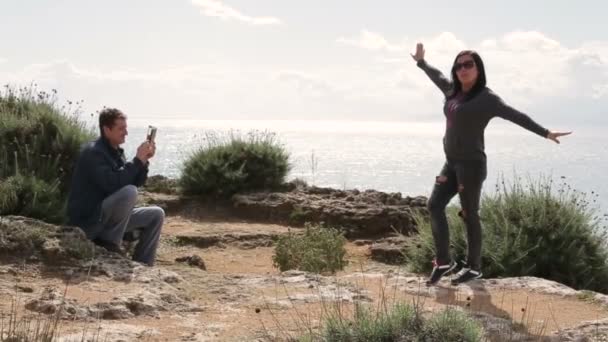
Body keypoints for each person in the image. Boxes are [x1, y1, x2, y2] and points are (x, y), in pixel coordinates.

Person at [411, 43, 572, 285]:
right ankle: (444, 261)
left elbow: (516, 116)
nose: (462, 68)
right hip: (451, 163)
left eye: (468, 64)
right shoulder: (452, 91)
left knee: (469, 214)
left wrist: (546, 132)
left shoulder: (487, 98)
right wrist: (422, 63)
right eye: (458, 65)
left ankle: (473, 267)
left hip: (471, 166)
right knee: (434, 205)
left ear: (478, 69)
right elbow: (438, 77)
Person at [67, 108, 164, 266]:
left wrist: (144, 161)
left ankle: (144, 265)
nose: (126, 133)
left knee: (156, 214)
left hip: (108, 218)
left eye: (126, 128)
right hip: (90, 221)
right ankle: (111, 245)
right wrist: (137, 161)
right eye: (121, 128)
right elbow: (112, 184)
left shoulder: (116, 152)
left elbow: (134, 181)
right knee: (128, 192)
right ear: (106, 129)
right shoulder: (93, 153)